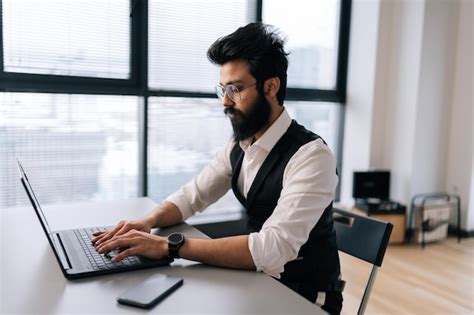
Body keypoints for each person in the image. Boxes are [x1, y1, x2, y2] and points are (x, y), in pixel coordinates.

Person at [92, 22, 343, 314]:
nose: (225, 101)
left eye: (235, 90)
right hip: (259, 281)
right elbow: (193, 195)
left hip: (305, 298)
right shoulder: (241, 144)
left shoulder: (311, 156)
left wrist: (169, 246)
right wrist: (147, 222)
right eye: (223, 90)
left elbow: (271, 248)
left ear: (271, 87)